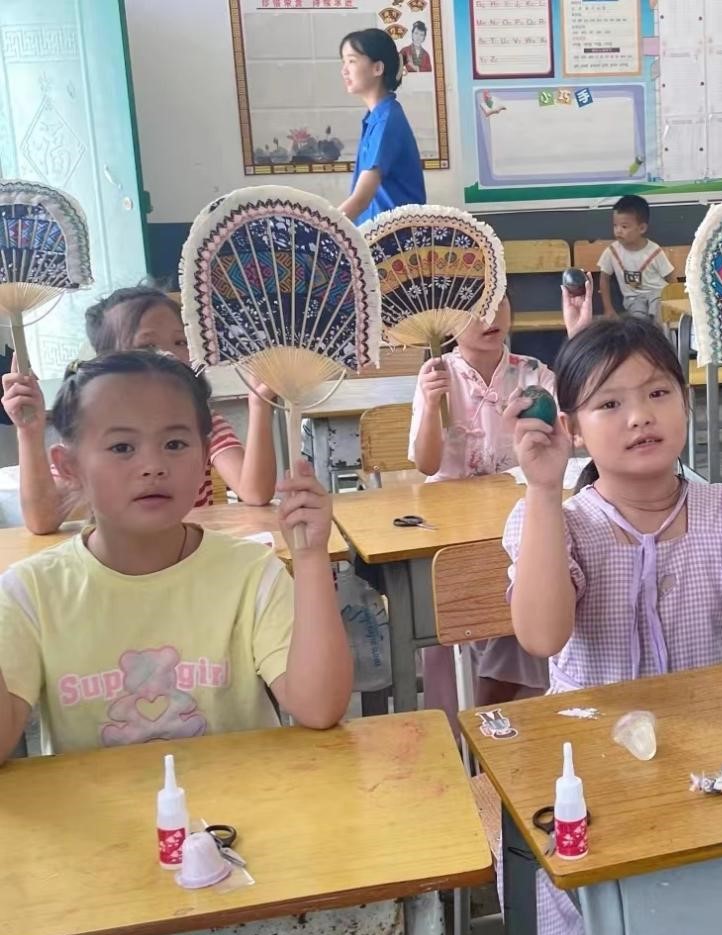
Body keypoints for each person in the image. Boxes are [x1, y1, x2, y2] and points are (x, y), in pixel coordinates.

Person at [501, 317, 722, 935]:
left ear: (686, 402)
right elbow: (541, 636)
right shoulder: (558, 521)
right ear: (571, 428)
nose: (639, 416)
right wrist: (542, 490)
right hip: (589, 770)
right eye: (609, 404)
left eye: (657, 393)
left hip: (713, 759)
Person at [0, 351, 352, 759]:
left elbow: (319, 707)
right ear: (69, 466)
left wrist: (309, 558)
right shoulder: (31, 592)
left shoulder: (251, 572)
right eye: (122, 447)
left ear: (205, 456)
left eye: (174, 444)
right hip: (96, 802)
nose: (153, 465)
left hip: (241, 797)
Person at [409, 282, 594, 728]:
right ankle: (457, 726)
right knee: (452, 612)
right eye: (474, 310)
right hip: (452, 529)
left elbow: (577, 429)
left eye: (498, 303)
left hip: (517, 523)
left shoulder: (533, 373)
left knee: (527, 596)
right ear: (449, 322)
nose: (490, 318)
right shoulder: (439, 374)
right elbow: (426, 463)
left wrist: (578, 337)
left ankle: (510, 714)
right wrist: (432, 405)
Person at [0, 286, 277, 534]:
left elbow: (254, 492)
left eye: (181, 342)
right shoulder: (94, 432)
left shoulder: (202, 423)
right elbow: (42, 520)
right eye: (147, 345)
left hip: (186, 557)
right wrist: (29, 432)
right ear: (108, 360)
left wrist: (259, 403)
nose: (171, 355)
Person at [338, 28, 426, 225]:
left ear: (377, 68)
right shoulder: (376, 117)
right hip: (378, 234)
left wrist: (322, 230)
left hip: (396, 239)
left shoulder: (387, 120)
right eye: (343, 62)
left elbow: (360, 200)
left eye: (351, 61)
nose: (344, 70)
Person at [597, 195, 674, 321]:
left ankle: (662, 334)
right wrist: (608, 309)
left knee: (660, 315)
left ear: (642, 228)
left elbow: (670, 276)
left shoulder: (654, 251)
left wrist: (675, 302)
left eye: (624, 227)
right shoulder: (612, 252)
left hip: (658, 294)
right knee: (637, 320)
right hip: (633, 299)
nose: (618, 231)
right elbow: (604, 278)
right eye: (615, 225)